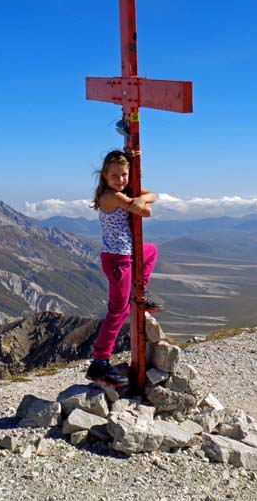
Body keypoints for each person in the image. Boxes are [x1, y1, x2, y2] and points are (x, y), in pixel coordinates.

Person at [85, 150, 161, 387]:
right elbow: (146, 210)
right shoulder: (112, 196)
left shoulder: (122, 193)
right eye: (115, 175)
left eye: (124, 175)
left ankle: (142, 291)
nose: (120, 180)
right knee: (117, 310)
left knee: (151, 251)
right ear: (105, 176)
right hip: (117, 260)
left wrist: (141, 198)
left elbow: (153, 196)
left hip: (127, 254)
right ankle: (99, 362)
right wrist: (140, 200)